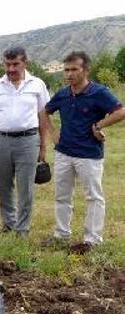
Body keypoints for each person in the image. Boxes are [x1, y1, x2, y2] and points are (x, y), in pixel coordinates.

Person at [42, 51, 125, 252]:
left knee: (94, 197)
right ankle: (61, 235)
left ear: (85, 70)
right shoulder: (62, 94)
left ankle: (92, 240)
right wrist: (53, 133)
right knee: (62, 195)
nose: (69, 74)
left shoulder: (99, 92)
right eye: (66, 70)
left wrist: (99, 125)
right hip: (64, 153)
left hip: (89, 154)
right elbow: (44, 111)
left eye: (74, 69)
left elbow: (121, 111)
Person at [0, 46, 50, 236]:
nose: (11, 69)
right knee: (3, 185)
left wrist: (44, 145)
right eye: (7, 64)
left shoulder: (37, 85)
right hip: (0, 141)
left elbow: (43, 117)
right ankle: (8, 224)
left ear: (24, 63)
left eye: (15, 64)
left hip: (29, 141)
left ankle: (22, 229)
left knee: (25, 187)